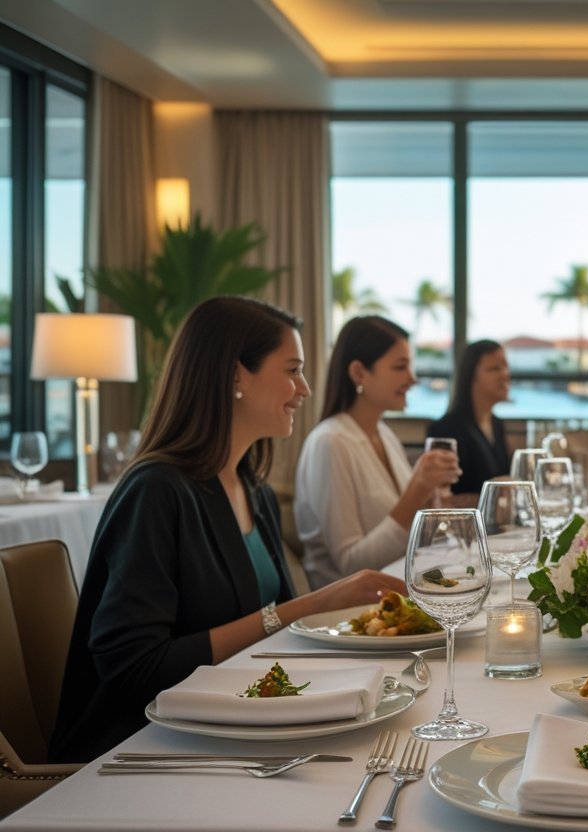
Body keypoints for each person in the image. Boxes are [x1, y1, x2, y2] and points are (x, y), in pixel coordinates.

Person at [50, 297, 405, 763]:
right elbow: (134, 668)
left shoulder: (252, 489)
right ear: (236, 376)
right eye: (292, 370)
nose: (304, 389)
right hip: (143, 748)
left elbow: (274, 643)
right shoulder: (156, 490)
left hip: (234, 727)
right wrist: (310, 605)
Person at [294, 315, 460, 589]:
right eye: (400, 367)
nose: (412, 379)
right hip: (350, 608)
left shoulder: (384, 434)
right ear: (359, 373)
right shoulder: (330, 442)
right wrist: (416, 491)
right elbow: (351, 566)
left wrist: (433, 498)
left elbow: (414, 540)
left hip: (400, 589)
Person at [426, 339, 511, 498]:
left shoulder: (497, 424)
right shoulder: (445, 429)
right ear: (470, 375)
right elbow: (441, 498)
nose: (505, 375)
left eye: (505, 367)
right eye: (495, 369)